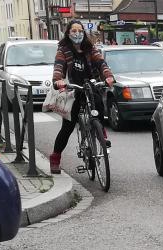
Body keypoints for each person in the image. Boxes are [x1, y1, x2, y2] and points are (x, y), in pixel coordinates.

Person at [49, 20, 115, 174]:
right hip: (75, 88)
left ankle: (100, 132)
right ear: (68, 33)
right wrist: (58, 80)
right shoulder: (64, 49)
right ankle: (55, 157)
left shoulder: (90, 48)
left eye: (80, 30)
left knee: (98, 103)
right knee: (68, 126)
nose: (77, 33)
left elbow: (101, 63)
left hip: (91, 85)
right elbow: (59, 66)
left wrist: (109, 76)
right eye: (74, 30)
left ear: (84, 33)